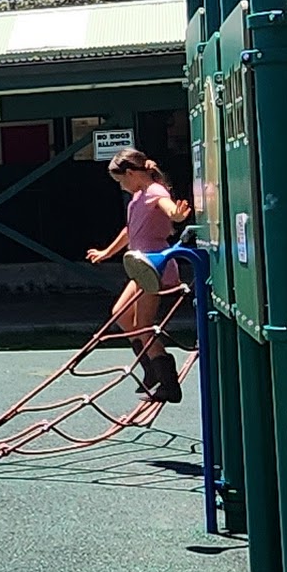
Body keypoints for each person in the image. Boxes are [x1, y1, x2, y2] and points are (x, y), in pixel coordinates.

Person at [86, 147, 192, 403]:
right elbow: (129, 230)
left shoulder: (155, 191)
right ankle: (151, 369)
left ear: (132, 173)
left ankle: (169, 383)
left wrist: (176, 215)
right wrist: (106, 252)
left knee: (143, 324)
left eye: (121, 180)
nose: (121, 186)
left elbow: (169, 208)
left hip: (154, 267)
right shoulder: (137, 197)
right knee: (121, 315)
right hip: (140, 266)